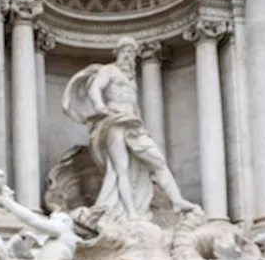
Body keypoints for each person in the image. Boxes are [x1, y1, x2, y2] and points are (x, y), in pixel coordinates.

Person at [61, 36, 201, 222]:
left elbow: (135, 106)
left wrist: (142, 125)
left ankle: (177, 200)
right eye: (126, 52)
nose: (129, 56)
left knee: (157, 160)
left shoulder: (130, 80)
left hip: (133, 123)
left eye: (132, 53)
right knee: (121, 168)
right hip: (114, 121)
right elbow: (95, 89)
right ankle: (131, 213)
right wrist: (101, 108)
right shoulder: (109, 70)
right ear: (118, 53)